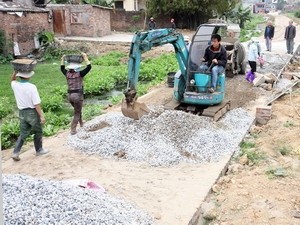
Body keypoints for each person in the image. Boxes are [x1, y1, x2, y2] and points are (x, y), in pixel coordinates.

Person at [11, 70, 48, 161]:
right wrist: (41, 116)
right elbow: (36, 104)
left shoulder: (15, 85)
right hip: (31, 112)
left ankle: (15, 152)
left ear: (19, 76)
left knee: (23, 133)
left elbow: (12, 80)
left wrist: (15, 71)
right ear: (29, 76)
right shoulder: (32, 87)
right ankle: (39, 150)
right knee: (38, 131)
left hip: (22, 112)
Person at [61, 53, 92, 135]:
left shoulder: (67, 74)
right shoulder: (80, 74)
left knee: (77, 110)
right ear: (77, 67)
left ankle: (81, 123)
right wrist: (85, 58)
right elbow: (89, 67)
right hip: (77, 96)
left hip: (70, 96)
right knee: (77, 112)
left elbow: (62, 68)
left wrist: (62, 59)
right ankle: (73, 129)